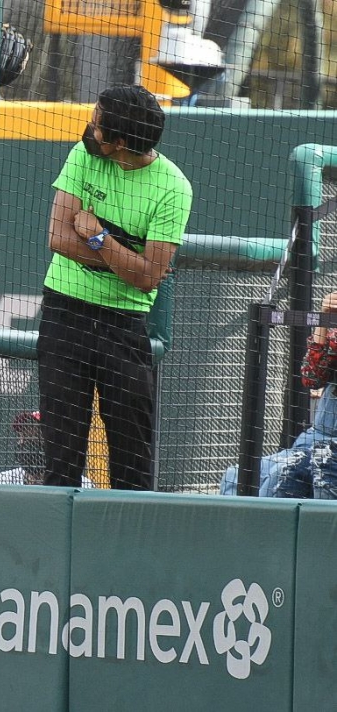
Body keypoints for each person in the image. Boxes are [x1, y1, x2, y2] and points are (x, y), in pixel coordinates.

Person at [36, 84, 193, 491]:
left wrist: (98, 237)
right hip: (63, 315)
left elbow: (150, 277)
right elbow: (58, 238)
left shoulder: (173, 188)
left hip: (125, 327)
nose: (90, 126)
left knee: (132, 464)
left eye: (98, 124)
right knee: (61, 458)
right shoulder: (83, 155)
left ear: (121, 142)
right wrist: (125, 256)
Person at [220, 291, 337, 499]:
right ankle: (232, 531)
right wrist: (324, 317)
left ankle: (263, 530)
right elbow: (311, 377)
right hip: (317, 436)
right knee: (236, 475)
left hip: (331, 452)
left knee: (280, 475)